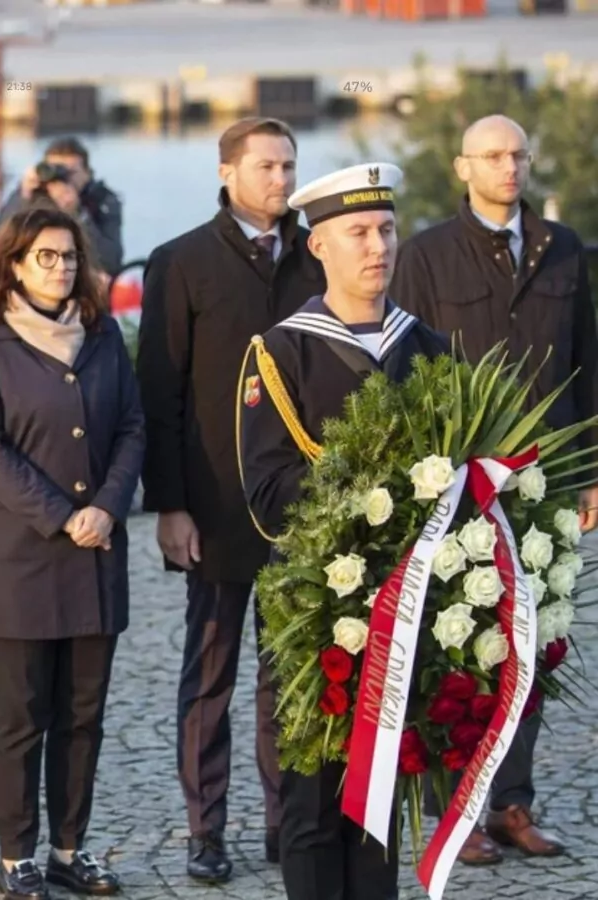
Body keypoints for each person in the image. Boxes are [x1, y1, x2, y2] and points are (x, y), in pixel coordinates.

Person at [238, 163, 448, 900]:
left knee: (381, 801)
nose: (377, 246)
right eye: (357, 233)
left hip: (408, 604)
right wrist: (381, 495)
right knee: (314, 803)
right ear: (319, 245)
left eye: (386, 230)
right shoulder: (282, 351)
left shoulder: (427, 347)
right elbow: (268, 496)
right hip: (315, 613)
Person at [389, 113, 592, 863]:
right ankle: (458, 810)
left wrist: (590, 469)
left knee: (536, 649)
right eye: (494, 156)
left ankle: (513, 803)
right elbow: (404, 371)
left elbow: (586, 360)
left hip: (546, 483)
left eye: (519, 154)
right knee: (462, 650)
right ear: (462, 167)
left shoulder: (561, 248)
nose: (511, 167)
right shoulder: (426, 255)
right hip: (462, 483)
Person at [134, 116, 324, 881]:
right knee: (210, 675)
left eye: (288, 167)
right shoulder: (180, 262)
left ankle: (288, 821)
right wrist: (169, 505)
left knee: (292, 674)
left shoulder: (316, 256)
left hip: (302, 510)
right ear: (227, 173)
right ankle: (205, 829)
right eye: (267, 167)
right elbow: (160, 391)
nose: (281, 180)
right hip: (213, 507)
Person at [0, 207, 144, 900]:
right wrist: (65, 516)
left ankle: (70, 847)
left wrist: (109, 506)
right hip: (18, 564)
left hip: (96, 556)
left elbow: (130, 424)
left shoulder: (101, 334)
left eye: (68, 256)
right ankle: (17, 859)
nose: (61, 268)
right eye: (46, 257)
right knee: (20, 720)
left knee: (82, 716)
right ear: (14, 263)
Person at [0, 137, 123, 274]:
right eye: (54, 171)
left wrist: (78, 214)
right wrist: (23, 197)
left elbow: (110, 262)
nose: (62, 179)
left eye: (70, 173)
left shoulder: (102, 201)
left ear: (87, 174)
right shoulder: (34, 196)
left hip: (81, 278)